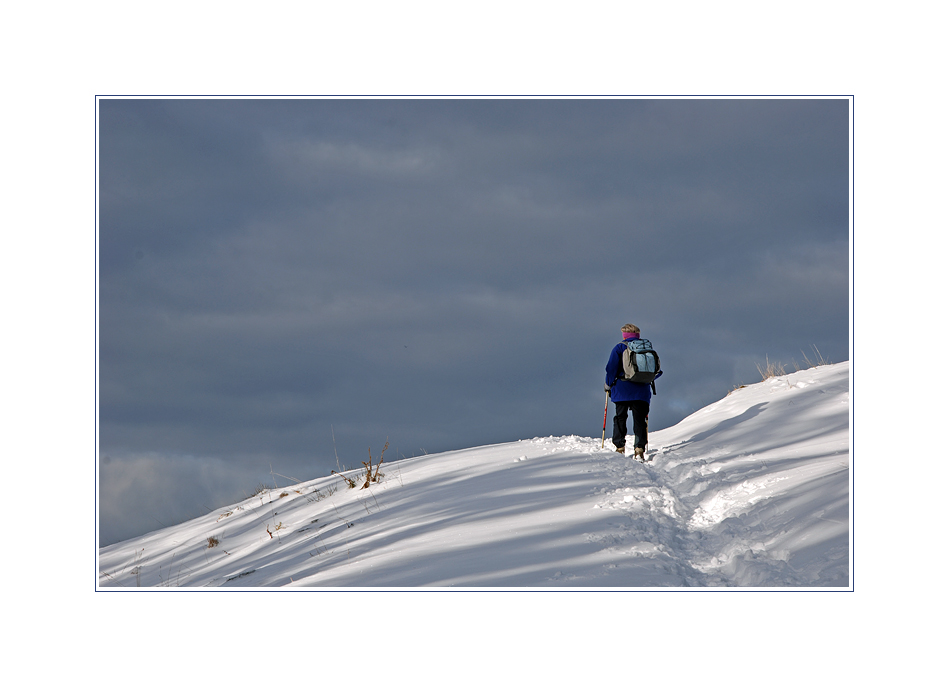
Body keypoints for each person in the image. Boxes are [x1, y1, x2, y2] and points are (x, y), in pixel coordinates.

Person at [604, 324, 662, 460]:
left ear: (624, 334)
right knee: (640, 419)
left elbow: (611, 369)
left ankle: (619, 447)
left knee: (620, 417)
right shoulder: (647, 348)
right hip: (642, 390)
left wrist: (608, 385)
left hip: (622, 389)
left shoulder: (619, 347)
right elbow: (656, 370)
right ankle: (639, 448)